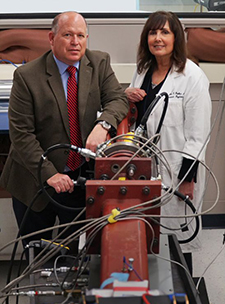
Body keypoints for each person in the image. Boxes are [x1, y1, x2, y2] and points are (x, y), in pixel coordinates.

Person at [0, 12, 128, 250]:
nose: (75, 42)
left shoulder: (98, 63)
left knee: (75, 253)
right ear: (52, 38)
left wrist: (104, 125)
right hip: (34, 180)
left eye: (80, 35)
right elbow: (21, 135)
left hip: (77, 179)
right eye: (68, 35)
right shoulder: (27, 77)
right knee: (37, 255)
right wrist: (50, 173)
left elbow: (118, 99)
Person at [125, 11, 211, 273]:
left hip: (177, 172)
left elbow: (198, 135)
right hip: (145, 170)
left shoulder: (192, 76)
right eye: (153, 32)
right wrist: (125, 96)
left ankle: (182, 292)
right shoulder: (142, 72)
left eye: (165, 32)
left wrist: (187, 179)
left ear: (176, 38)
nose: (158, 38)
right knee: (149, 237)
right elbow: (135, 122)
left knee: (178, 242)